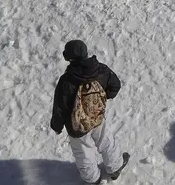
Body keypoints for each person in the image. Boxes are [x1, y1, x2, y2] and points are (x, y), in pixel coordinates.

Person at [51, 40, 128, 185]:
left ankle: (93, 179)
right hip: (97, 116)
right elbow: (115, 85)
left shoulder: (66, 81)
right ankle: (115, 167)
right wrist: (103, 97)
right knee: (106, 141)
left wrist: (57, 125)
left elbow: (60, 107)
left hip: (77, 126)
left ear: (69, 58)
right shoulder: (100, 70)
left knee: (83, 153)